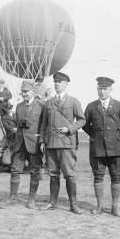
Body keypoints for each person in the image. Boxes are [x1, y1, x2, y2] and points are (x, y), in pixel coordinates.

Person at [40, 72, 86, 213]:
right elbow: (43, 124)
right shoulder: (48, 103)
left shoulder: (73, 101)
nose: (57, 84)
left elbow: (82, 120)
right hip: (51, 144)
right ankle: (52, 202)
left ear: (66, 84)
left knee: (69, 174)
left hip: (66, 144)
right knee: (53, 174)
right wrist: (42, 141)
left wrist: (69, 128)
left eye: (60, 82)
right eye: (56, 82)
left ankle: (73, 204)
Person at [82, 77, 120, 216]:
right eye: (100, 89)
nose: (102, 92)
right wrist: (95, 135)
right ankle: (99, 206)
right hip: (97, 148)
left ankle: (115, 207)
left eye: (105, 89)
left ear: (110, 90)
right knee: (98, 176)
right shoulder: (91, 106)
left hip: (115, 148)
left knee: (116, 176)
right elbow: (84, 124)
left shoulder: (119, 105)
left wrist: (117, 137)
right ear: (97, 89)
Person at [7, 80, 45, 209]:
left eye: (26, 92)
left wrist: (42, 141)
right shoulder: (19, 106)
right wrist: (14, 129)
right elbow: (15, 122)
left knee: (34, 172)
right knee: (15, 170)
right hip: (19, 143)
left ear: (33, 91)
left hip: (34, 144)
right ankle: (12, 197)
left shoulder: (41, 105)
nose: (24, 94)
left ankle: (31, 199)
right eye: (22, 92)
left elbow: (44, 126)